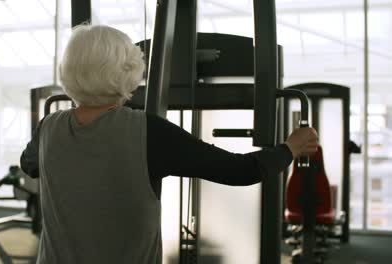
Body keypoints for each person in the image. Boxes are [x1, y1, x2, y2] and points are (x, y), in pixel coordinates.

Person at [20, 25, 318, 264]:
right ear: (129, 71)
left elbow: (29, 164)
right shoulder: (146, 131)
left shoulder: (49, 127)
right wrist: (290, 147)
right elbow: (241, 171)